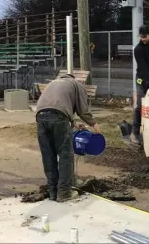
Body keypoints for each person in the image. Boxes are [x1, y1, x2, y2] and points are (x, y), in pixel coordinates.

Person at [35, 74, 101, 202]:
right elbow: (82, 109)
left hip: (40, 117)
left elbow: (53, 108)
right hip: (59, 117)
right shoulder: (77, 85)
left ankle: (53, 192)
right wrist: (93, 123)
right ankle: (64, 193)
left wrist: (74, 123)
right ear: (73, 79)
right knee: (66, 155)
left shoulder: (54, 83)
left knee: (48, 156)